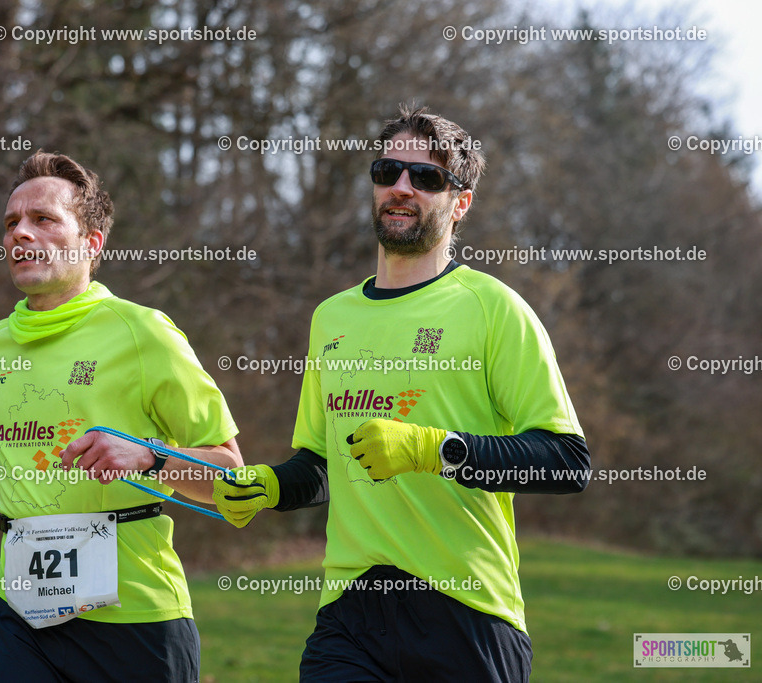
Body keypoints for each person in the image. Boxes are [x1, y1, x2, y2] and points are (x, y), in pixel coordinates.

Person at [213, 106, 590, 682]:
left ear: (460, 202)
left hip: (467, 610)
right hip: (350, 614)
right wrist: (270, 486)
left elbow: (566, 461)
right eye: (388, 171)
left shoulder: (494, 309)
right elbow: (325, 465)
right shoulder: (331, 317)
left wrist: (431, 450)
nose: (402, 187)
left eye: (427, 177)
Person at [0, 151, 240, 682]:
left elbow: (231, 479)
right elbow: (45, 449)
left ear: (91, 243)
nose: (20, 233)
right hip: (18, 612)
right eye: (12, 223)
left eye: (43, 219)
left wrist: (149, 457)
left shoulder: (144, 332)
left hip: (133, 620)